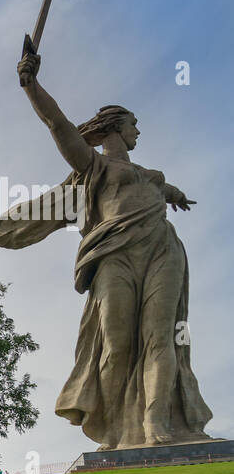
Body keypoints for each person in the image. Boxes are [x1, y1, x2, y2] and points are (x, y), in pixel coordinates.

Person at [11, 44, 213, 449]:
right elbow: (57, 124)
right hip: (113, 255)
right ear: (116, 127)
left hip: (162, 249)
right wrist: (31, 84)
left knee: (161, 337)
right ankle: (115, 430)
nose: (139, 131)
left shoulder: (151, 174)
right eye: (134, 124)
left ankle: (157, 425)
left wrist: (174, 194)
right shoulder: (94, 165)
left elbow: (165, 188)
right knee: (116, 346)